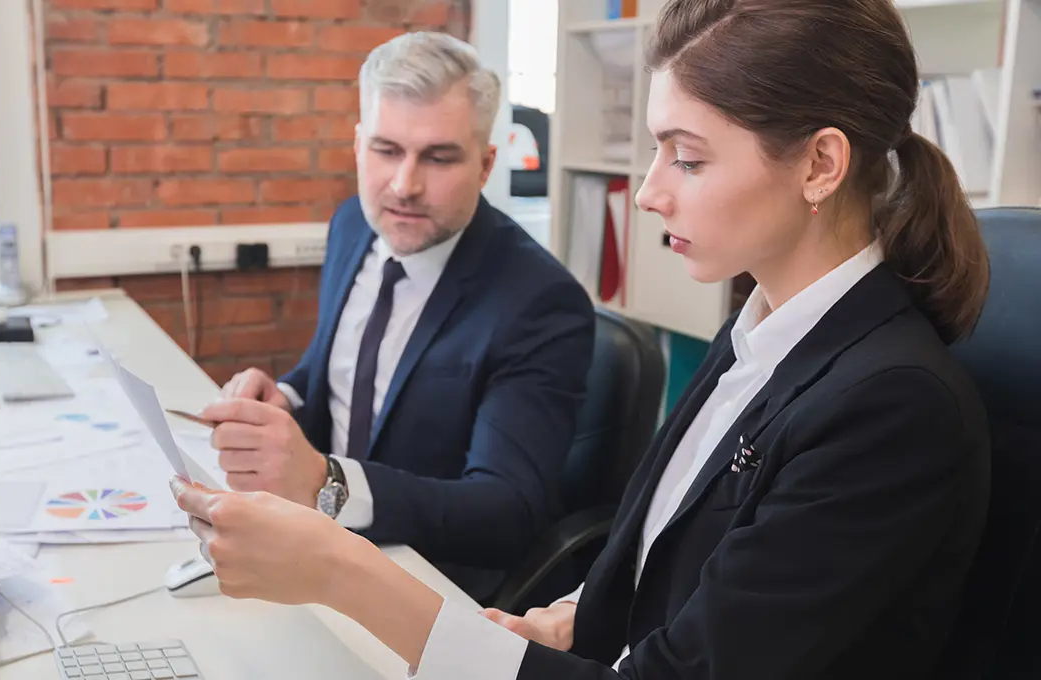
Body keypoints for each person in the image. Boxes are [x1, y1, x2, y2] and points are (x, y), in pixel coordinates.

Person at [171, 0, 993, 677]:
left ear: (819, 166)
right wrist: (578, 618)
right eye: (654, 152)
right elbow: (684, 571)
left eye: (689, 159)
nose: (647, 193)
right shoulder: (762, 328)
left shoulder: (891, 407)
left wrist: (338, 568)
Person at [199, 31, 596, 599]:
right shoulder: (353, 225)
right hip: (317, 542)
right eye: (387, 150)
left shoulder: (539, 302)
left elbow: (507, 513)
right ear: (358, 146)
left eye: (438, 157)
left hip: (426, 579)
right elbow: (331, 368)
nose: (405, 185)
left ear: (485, 165)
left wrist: (325, 482)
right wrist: (285, 396)